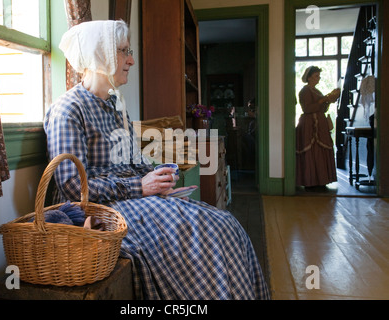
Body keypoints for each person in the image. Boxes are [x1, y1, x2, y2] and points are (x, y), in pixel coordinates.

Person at [44, 20, 269, 300]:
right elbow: (72, 186)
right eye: (124, 52)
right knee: (211, 231)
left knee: (226, 223)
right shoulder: (68, 109)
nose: (132, 60)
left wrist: (158, 180)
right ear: (100, 53)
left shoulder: (116, 107)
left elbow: (136, 162)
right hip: (103, 209)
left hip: (132, 199)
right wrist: (141, 187)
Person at [296, 66, 340, 191]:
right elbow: (307, 109)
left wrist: (328, 100)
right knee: (312, 152)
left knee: (320, 152)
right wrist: (324, 100)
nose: (318, 79)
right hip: (310, 125)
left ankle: (321, 180)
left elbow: (322, 108)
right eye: (316, 76)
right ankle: (311, 180)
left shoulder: (317, 91)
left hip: (320, 123)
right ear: (309, 77)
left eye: (319, 76)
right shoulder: (305, 91)